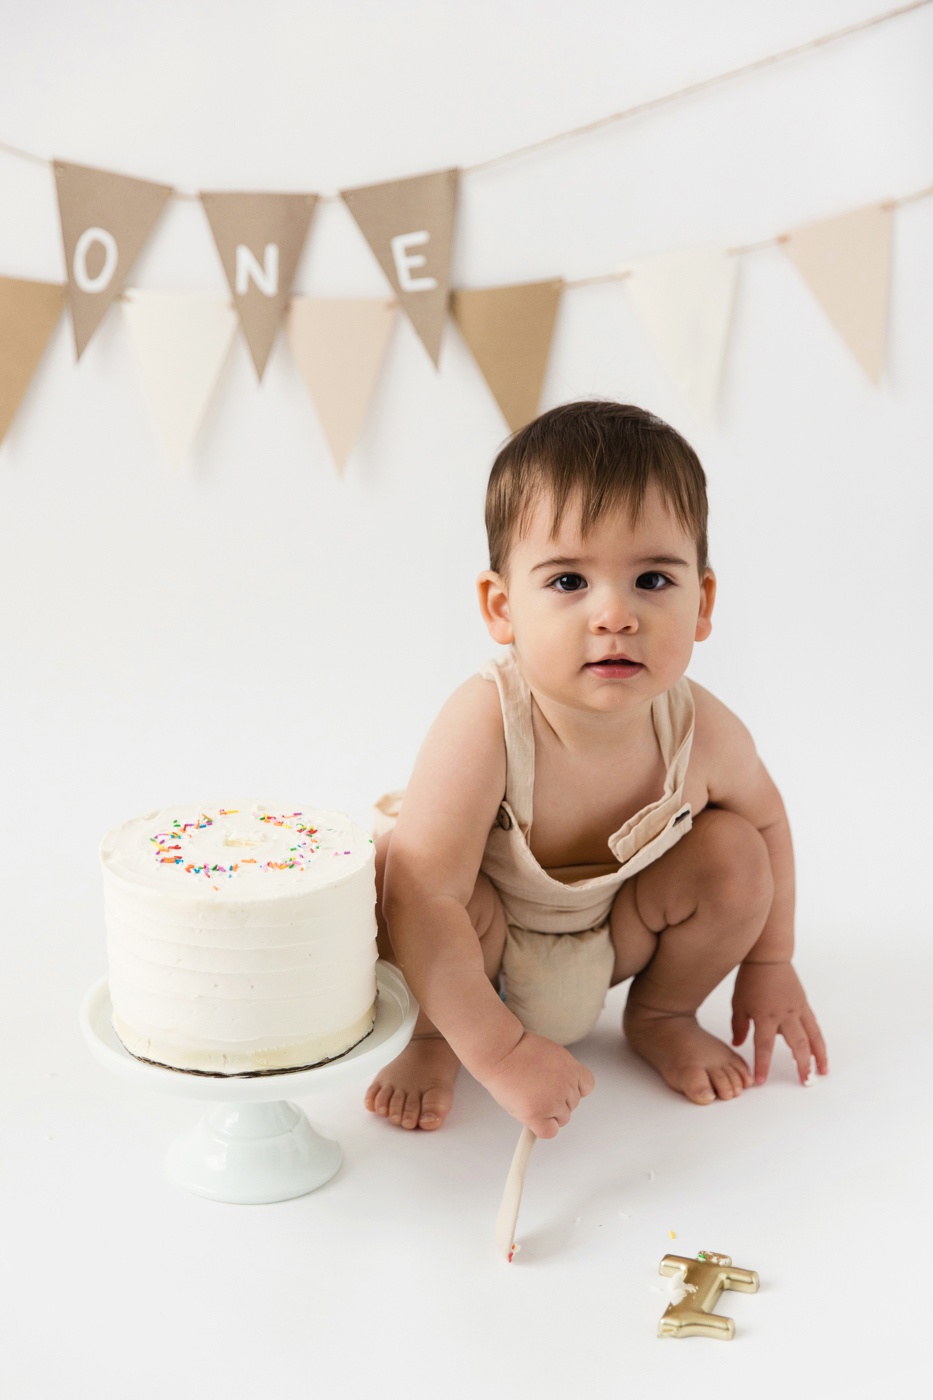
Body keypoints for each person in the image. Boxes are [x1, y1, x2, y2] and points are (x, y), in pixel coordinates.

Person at [364, 401, 828, 1138]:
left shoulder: (699, 729)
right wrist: (503, 1050)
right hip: (479, 941)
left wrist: (771, 961)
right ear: (501, 606)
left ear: (702, 602)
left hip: (616, 935)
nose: (614, 615)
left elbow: (768, 821)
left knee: (734, 852)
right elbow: (423, 902)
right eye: (567, 582)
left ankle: (661, 1013)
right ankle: (434, 1039)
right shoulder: (486, 723)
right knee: (398, 872)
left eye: (651, 579)